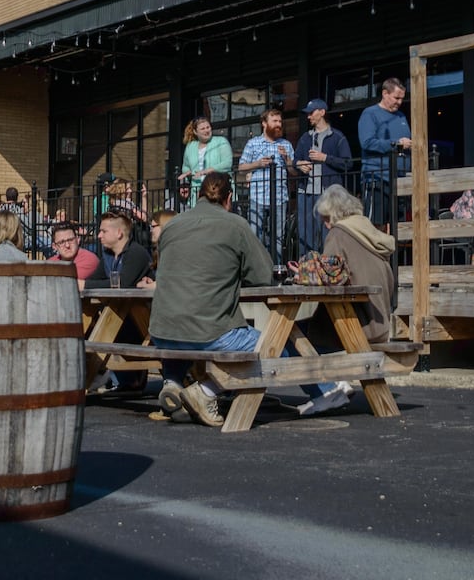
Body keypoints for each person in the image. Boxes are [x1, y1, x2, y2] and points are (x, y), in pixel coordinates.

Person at [150, 173, 349, 426]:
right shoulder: (235, 224)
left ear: (199, 194)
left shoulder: (173, 226)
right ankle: (326, 391)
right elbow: (263, 275)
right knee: (278, 342)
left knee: (184, 320)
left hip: (161, 331)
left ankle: (173, 382)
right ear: (229, 198)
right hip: (209, 331)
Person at [315, 184, 396, 346]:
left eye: (326, 218)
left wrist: (304, 273)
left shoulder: (338, 234)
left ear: (335, 213)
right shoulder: (369, 230)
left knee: (295, 337)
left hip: (356, 326)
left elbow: (328, 276)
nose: (325, 225)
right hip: (381, 324)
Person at [294, 98, 353, 257]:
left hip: (327, 193)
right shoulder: (305, 138)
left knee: (329, 232)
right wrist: (299, 164)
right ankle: (307, 268)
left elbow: (348, 163)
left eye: (311, 113)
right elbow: (295, 160)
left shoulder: (337, 137)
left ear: (322, 112)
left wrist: (325, 157)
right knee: (305, 235)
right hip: (306, 192)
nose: (308, 117)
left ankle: (330, 267)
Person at [237, 107, 294, 260]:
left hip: (280, 197)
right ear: (264, 123)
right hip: (258, 196)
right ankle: (256, 270)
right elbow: (241, 168)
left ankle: (277, 270)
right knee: (254, 234)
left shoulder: (286, 144)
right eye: (274, 121)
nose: (278, 124)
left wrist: (287, 159)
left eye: (280, 121)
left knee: (278, 237)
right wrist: (258, 163)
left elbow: (294, 172)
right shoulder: (253, 143)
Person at [358, 78, 412, 229]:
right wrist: (396, 144)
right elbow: (367, 142)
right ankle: (373, 254)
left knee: (400, 226)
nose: (400, 102)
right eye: (396, 98)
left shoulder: (401, 116)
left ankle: (395, 253)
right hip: (377, 178)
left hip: (401, 179)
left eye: (402, 98)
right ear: (384, 93)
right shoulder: (370, 114)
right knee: (376, 225)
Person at [86, 212, 153, 288]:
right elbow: (95, 278)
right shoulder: (108, 254)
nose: (99, 235)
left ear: (119, 233)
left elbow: (122, 283)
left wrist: (85, 285)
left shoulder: (136, 253)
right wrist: (82, 284)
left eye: (104, 231)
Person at [178, 117, 232, 208]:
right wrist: (187, 176)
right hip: (197, 191)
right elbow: (186, 167)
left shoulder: (221, 142)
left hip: (217, 189)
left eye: (208, 127)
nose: (206, 130)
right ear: (195, 132)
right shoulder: (190, 146)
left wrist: (206, 171)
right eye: (203, 129)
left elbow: (227, 163)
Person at [47, 221, 100, 290]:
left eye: (70, 240)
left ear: (78, 240)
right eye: (61, 242)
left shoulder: (89, 259)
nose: (67, 245)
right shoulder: (50, 262)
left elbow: (68, 283)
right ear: (54, 246)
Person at [147, 208, 177, 279]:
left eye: (153, 227)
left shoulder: (174, 253)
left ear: (165, 226)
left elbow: (172, 281)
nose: (151, 231)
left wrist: (152, 286)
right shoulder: (159, 250)